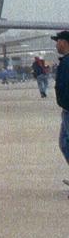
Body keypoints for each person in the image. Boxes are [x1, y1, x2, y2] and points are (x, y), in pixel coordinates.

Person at [54, 32, 69, 189]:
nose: (56, 45)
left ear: (64, 42)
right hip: (66, 109)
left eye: (57, 41)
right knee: (64, 143)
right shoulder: (65, 61)